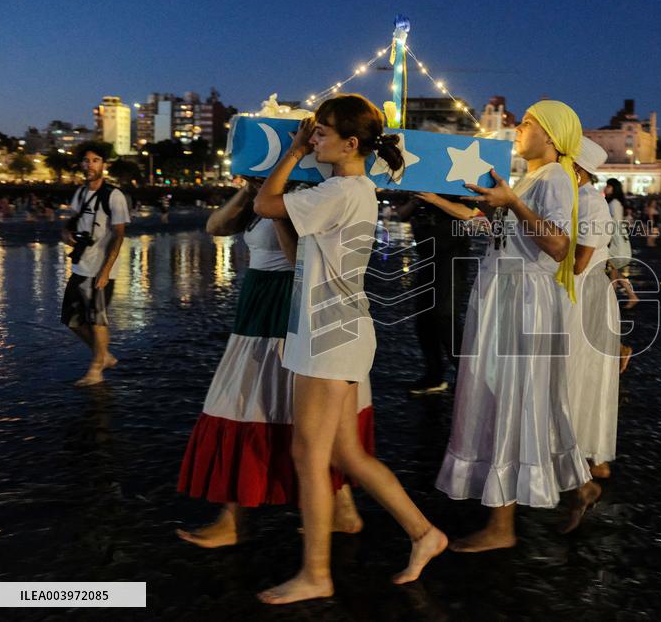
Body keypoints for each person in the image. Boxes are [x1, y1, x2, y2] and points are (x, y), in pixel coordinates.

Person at [253, 94, 446, 604]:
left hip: (329, 333)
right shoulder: (352, 190)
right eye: (312, 133)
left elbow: (262, 203)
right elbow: (301, 256)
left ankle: (316, 574)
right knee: (345, 453)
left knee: (309, 455)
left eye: (321, 132)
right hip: (334, 327)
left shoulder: (340, 189)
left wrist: (291, 154)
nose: (314, 138)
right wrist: (284, 211)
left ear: (350, 143)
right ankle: (425, 533)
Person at [175, 179, 372, 548]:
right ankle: (342, 508)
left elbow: (301, 258)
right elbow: (216, 227)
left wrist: (274, 199)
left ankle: (233, 518)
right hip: (258, 304)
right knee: (273, 408)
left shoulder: (310, 194)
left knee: (247, 405)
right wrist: (251, 191)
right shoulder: (269, 193)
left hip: (285, 306)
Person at [435, 100, 591, 551]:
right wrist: (437, 199)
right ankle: (580, 486)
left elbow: (559, 246)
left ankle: (501, 527)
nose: (518, 130)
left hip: (524, 299)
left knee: (507, 396)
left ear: (552, 136)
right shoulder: (527, 179)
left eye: (527, 124)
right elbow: (494, 230)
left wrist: (514, 202)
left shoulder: (557, 177)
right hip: (500, 293)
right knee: (528, 398)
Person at [561, 137, 621, 533]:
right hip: (586, 296)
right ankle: (593, 459)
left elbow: (580, 262)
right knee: (587, 377)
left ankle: (583, 460)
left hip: (585, 299)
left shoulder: (592, 203)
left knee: (578, 376)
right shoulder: (582, 199)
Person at [60, 141, 130, 386]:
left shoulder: (114, 195)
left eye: (95, 160)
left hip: (101, 268)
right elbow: (71, 221)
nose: (90, 165)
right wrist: (66, 234)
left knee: (97, 319)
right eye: (86, 160)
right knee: (71, 320)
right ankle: (104, 356)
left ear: (104, 165)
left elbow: (119, 235)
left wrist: (106, 271)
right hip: (80, 266)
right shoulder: (80, 193)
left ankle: (96, 368)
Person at [395, 193, 471, 395]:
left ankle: (468, 376)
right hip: (426, 256)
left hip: (452, 255)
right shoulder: (418, 182)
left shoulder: (455, 182)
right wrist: (415, 199)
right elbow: (401, 214)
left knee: (444, 315)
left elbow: (466, 214)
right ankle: (434, 375)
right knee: (424, 320)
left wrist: (435, 199)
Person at [605, 178, 638, 308]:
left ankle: (611, 304)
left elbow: (614, 222)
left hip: (615, 240)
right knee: (614, 271)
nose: (606, 188)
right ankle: (631, 296)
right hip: (618, 238)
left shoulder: (614, 203)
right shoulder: (616, 202)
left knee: (613, 271)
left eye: (608, 186)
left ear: (614, 188)